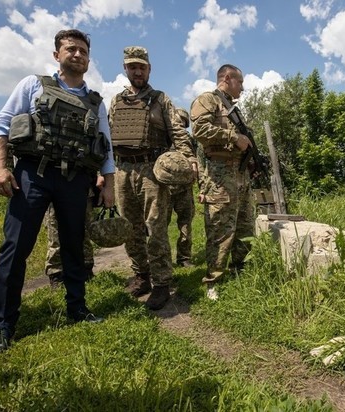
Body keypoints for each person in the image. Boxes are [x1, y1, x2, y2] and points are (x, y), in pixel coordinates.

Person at [0, 29, 115, 354]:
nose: (77, 54)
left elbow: (106, 148)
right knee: (15, 249)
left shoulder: (96, 102)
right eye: (70, 49)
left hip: (75, 180)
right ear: (57, 55)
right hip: (33, 174)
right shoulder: (33, 85)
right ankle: (3, 326)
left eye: (83, 50)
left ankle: (78, 308)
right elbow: (2, 125)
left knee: (74, 248)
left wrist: (108, 183)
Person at [109, 46, 196, 310]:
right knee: (130, 228)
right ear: (126, 69)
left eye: (142, 67)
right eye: (132, 66)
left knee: (156, 227)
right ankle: (141, 275)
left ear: (149, 69)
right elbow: (108, 137)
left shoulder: (161, 100)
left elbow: (178, 133)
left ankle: (161, 283)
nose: (137, 71)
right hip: (123, 170)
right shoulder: (116, 101)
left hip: (151, 171)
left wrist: (190, 160)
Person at [190, 64, 255, 300]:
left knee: (245, 225)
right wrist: (233, 137)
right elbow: (199, 129)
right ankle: (213, 280)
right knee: (219, 227)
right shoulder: (207, 100)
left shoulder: (232, 108)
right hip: (218, 175)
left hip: (240, 174)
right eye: (240, 82)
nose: (243, 87)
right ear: (227, 78)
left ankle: (241, 270)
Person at [44, 173, 103, 287]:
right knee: (55, 233)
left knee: (84, 231)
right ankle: (56, 274)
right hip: (53, 183)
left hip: (82, 182)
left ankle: (86, 270)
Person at [166, 108, 195, 268]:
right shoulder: (162, 139)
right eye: (178, 122)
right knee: (160, 225)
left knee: (185, 225)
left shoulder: (189, 141)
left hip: (184, 189)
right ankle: (162, 259)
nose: (180, 125)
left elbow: (195, 162)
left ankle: (184, 258)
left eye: (183, 123)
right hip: (165, 189)